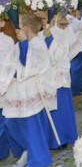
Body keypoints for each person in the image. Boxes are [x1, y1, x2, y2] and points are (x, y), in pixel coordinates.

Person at [2, 12, 58, 167]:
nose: (17, 27)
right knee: (12, 124)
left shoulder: (36, 43)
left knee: (31, 127)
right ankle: (26, 152)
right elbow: (12, 63)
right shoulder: (24, 43)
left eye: (20, 24)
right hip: (18, 92)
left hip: (31, 91)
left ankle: (39, 160)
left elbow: (28, 63)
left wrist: (23, 43)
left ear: (26, 28)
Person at [43, 13, 78, 149]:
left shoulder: (63, 35)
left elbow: (70, 52)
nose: (64, 27)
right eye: (61, 24)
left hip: (61, 75)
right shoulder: (47, 34)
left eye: (65, 25)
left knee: (63, 107)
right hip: (50, 77)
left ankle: (65, 136)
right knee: (54, 108)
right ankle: (56, 139)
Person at [0, 17, 15, 161]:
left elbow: (10, 65)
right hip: (3, 83)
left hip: (3, 83)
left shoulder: (8, 41)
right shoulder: (8, 41)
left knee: (3, 119)